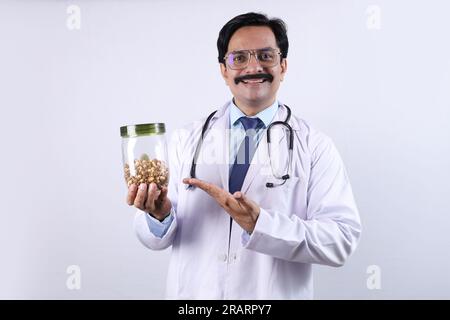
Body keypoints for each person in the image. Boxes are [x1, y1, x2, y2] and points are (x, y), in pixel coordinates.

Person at [127, 12, 361, 299]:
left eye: (266, 55)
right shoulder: (185, 140)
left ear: (283, 66)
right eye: (239, 58)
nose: (254, 67)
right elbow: (154, 238)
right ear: (224, 70)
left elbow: (340, 241)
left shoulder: (315, 146)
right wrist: (159, 215)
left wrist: (261, 224)